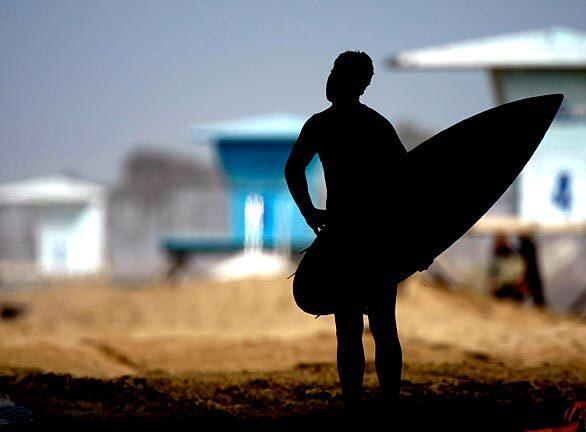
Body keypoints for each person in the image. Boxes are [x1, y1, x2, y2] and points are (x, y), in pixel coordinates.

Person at [284, 51, 412, 411]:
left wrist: (310, 212)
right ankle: (386, 404)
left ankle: (355, 404)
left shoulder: (322, 125)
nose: (331, 78)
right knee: (382, 325)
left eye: (338, 72)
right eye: (333, 71)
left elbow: (293, 170)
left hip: (346, 238)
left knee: (352, 326)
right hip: (374, 238)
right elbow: (408, 182)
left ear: (357, 83)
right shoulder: (376, 125)